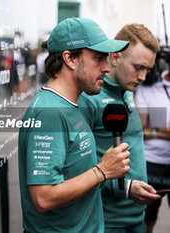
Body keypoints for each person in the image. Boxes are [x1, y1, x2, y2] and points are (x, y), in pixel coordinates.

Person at [18, 17, 131, 233]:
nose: (107, 67)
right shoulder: (50, 113)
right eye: (99, 58)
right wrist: (102, 170)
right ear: (69, 58)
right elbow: (43, 197)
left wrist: (117, 180)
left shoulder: (69, 103)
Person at [78, 23, 162, 233]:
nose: (143, 77)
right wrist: (125, 188)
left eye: (148, 69)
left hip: (137, 218)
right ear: (115, 58)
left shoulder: (127, 90)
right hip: (108, 222)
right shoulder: (89, 98)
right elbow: (76, 168)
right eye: (138, 67)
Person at [135, 53, 170, 233]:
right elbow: (139, 131)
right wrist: (161, 133)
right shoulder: (149, 89)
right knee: (147, 218)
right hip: (152, 164)